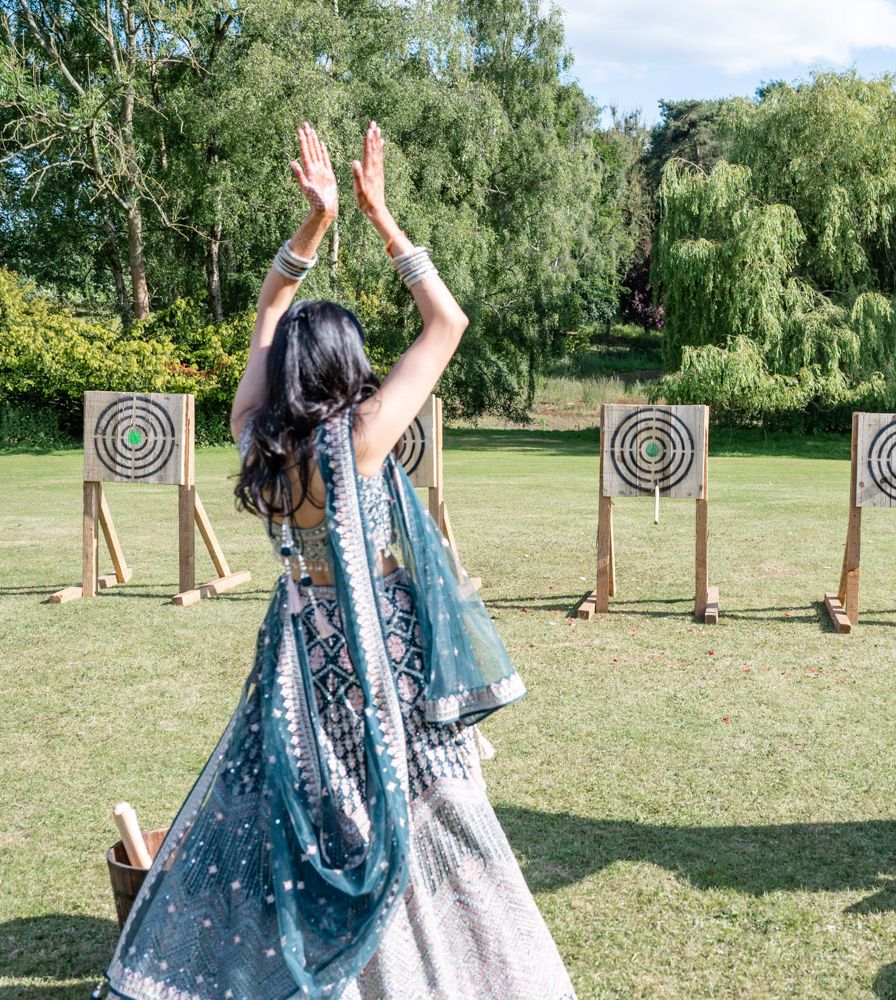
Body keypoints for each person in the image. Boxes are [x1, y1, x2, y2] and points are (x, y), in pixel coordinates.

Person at [100, 122, 576, 1000]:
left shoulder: (258, 439)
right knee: (433, 806)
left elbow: (267, 315)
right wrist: (382, 219)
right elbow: (448, 322)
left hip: (300, 649)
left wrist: (314, 225)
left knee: (331, 813)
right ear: (349, 366)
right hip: (379, 651)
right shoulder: (358, 441)